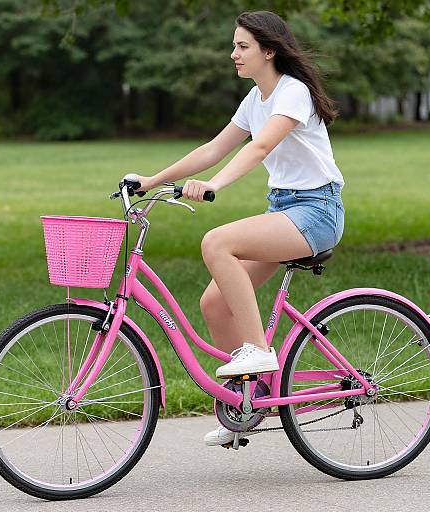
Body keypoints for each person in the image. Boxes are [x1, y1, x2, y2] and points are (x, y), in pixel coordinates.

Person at [133, 10, 345, 446]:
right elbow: (214, 148)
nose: (234, 54)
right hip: (284, 209)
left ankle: (259, 355)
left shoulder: (293, 93)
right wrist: (151, 180)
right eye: (234, 46)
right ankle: (248, 403)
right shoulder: (255, 100)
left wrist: (215, 186)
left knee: (217, 242)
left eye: (242, 46)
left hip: (317, 211)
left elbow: (263, 145)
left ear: (269, 51)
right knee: (214, 303)